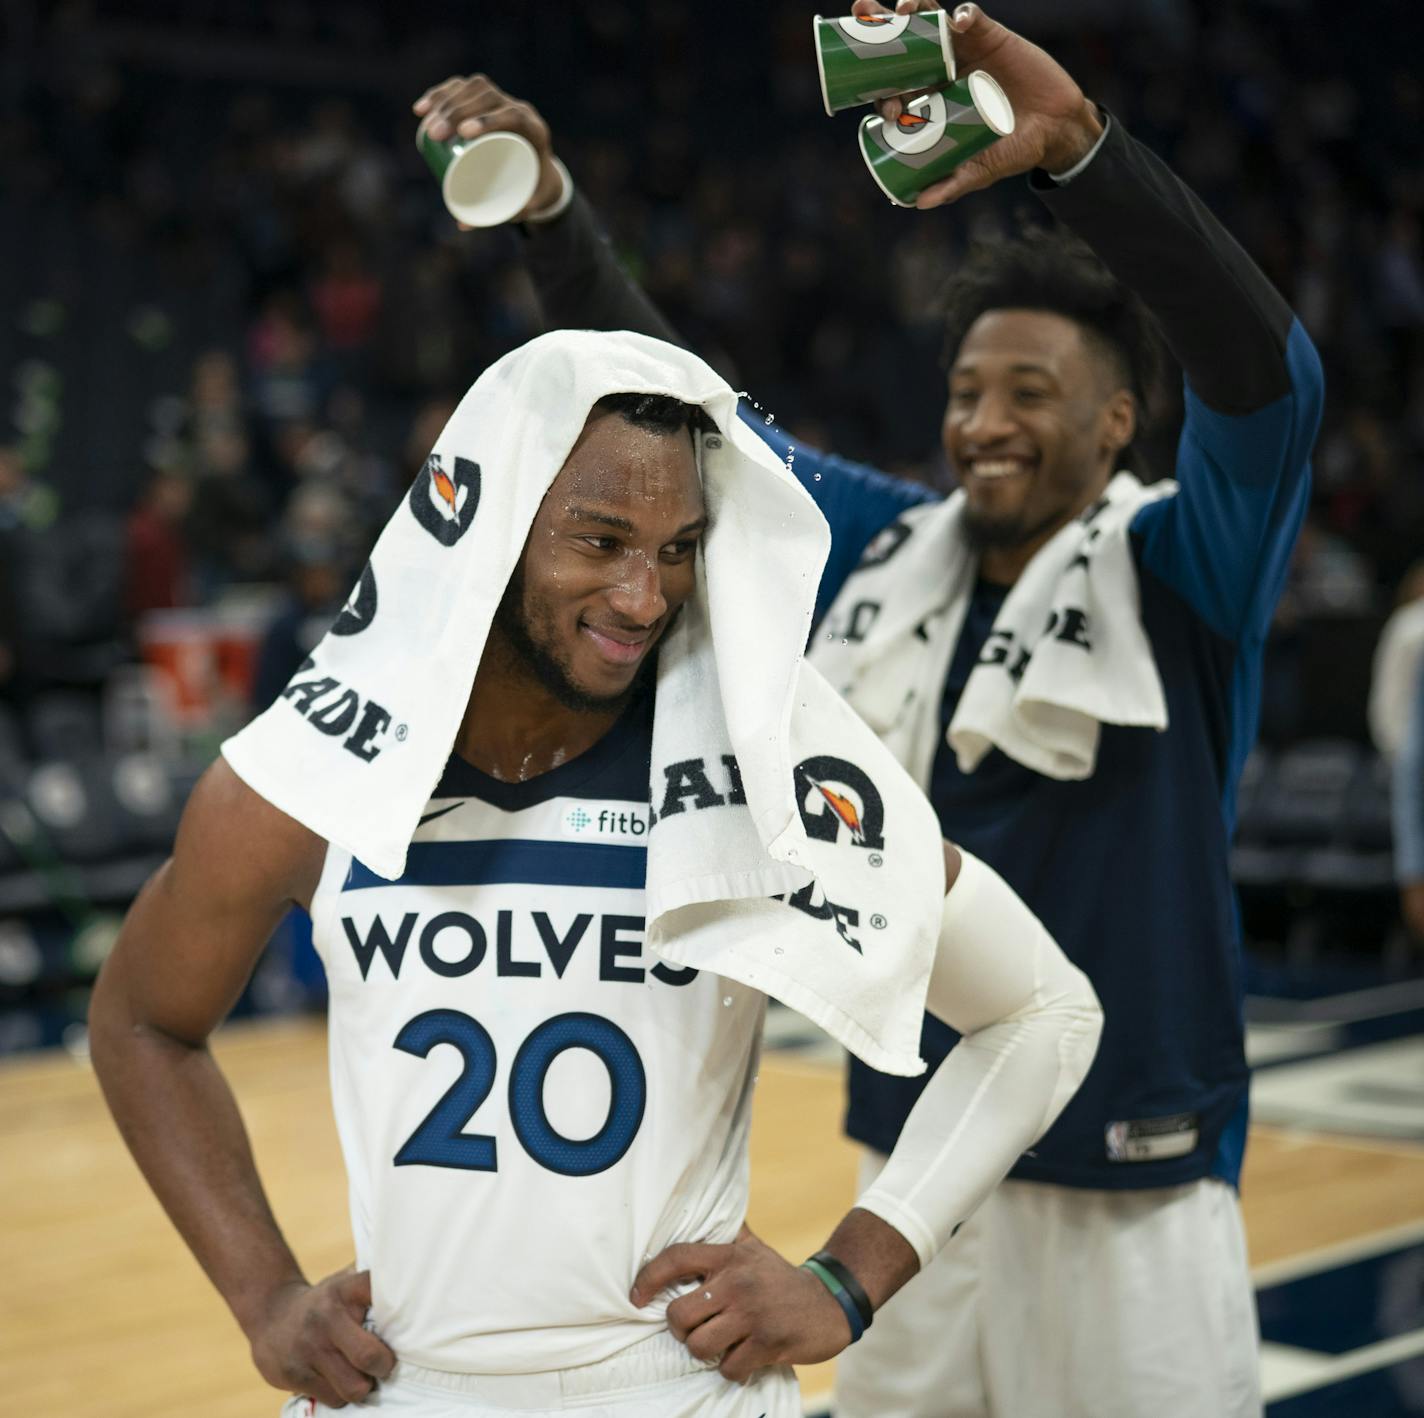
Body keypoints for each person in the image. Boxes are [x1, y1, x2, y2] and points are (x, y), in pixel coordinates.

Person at [439, 2, 1327, 1412]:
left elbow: (1272, 382)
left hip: (1133, 1187)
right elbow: (695, 407)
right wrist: (554, 213)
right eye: (968, 389)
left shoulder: (1186, 568)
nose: (985, 420)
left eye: (1032, 391)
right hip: (918, 1174)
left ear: (1114, 424)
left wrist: (1086, 153)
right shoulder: (881, 544)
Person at [89, 328, 1102, 1417]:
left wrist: (850, 1276)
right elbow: (143, 1019)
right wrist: (266, 1297)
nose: (641, 594)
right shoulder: (310, 776)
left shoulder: (765, 766)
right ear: (487, 526)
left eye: (676, 547)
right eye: (601, 539)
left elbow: (1042, 1007)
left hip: (679, 1387)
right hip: (401, 1386)